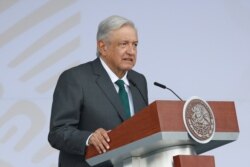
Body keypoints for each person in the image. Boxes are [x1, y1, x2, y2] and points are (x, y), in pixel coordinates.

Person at [48, 15, 148, 167]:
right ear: (103, 47)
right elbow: (58, 132)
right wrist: (89, 138)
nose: (131, 51)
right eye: (124, 44)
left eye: (135, 44)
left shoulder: (139, 81)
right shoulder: (76, 78)